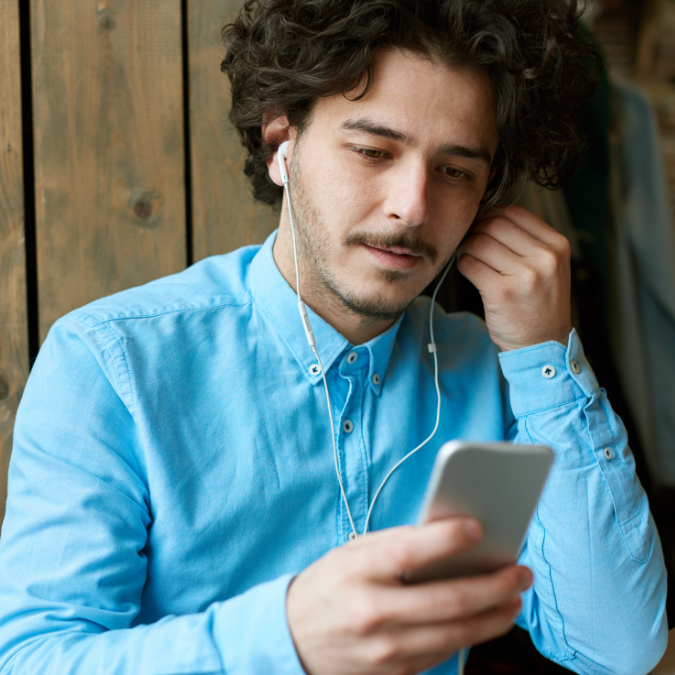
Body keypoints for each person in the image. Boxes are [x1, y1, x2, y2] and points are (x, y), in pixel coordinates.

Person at [0, 0, 667, 673]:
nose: (412, 205)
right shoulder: (109, 364)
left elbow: (617, 649)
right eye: (373, 150)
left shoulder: (498, 375)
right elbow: (33, 658)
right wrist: (288, 636)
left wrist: (545, 355)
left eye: (455, 170)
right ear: (280, 145)